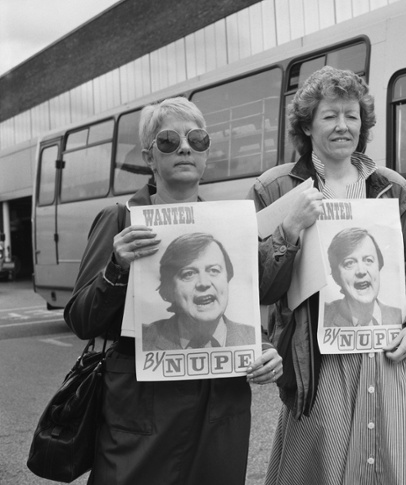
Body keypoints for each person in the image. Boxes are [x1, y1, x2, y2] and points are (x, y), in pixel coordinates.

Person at [64, 96, 282, 485]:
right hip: (141, 414)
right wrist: (117, 268)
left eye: (197, 139)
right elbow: (81, 318)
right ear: (150, 157)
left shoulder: (229, 226)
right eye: (168, 140)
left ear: (206, 154)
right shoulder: (120, 219)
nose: (184, 147)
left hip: (217, 413)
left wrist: (261, 350)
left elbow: (239, 308)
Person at [250, 66, 406, 485]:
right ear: (307, 124)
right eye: (330, 116)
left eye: (352, 116)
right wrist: (288, 229)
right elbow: (260, 286)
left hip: (391, 357)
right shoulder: (275, 189)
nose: (343, 125)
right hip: (319, 364)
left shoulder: (394, 189)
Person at [142, 232, 255, 350]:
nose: (204, 283)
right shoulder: (143, 340)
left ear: (228, 277)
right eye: (188, 274)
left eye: (214, 270)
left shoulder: (256, 340)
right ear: (170, 287)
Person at [324, 227, 401, 327]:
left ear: (379, 266)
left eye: (368, 260)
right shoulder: (325, 317)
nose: (361, 271)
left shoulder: (401, 316)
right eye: (349, 263)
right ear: (336, 275)